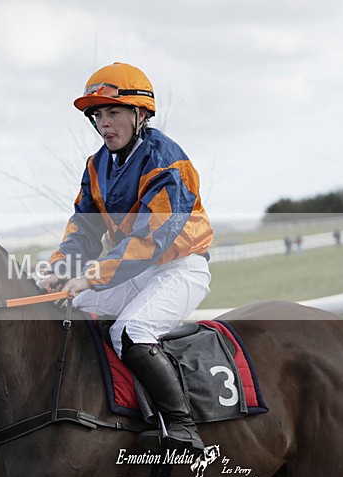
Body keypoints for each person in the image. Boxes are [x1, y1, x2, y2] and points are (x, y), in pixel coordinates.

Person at [39, 62, 214, 451]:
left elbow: (151, 237)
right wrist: (58, 272)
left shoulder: (167, 159)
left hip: (181, 267)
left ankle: (182, 425)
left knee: (132, 331)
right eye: (98, 115)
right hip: (135, 271)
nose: (105, 123)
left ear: (140, 114)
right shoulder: (97, 165)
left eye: (113, 112)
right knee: (78, 308)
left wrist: (93, 274)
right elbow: (83, 229)